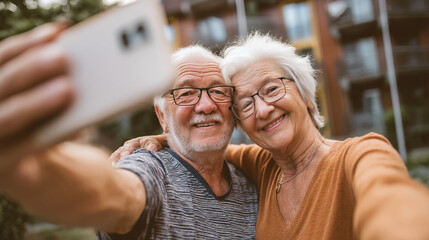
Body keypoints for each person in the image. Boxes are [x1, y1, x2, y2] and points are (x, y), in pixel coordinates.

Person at [114, 33, 429, 240]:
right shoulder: (260, 167)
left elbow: (390, 198)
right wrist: (164, 136)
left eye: (272, 89)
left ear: (306, 95)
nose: (262, 110)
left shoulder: (361, 155)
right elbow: (204, 144)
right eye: (246, 104)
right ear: (242, 125)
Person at [0, 23, 258, 239]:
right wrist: (42, 167)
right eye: (186, 93)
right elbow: (115, 194)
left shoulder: (253, 179)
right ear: (161, 117)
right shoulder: (153, 170)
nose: (206, 105)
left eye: (217, 91)